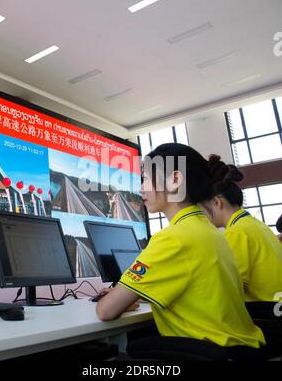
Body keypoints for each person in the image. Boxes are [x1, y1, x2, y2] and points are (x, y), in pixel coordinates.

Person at [96, 143, 264, 353]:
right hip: (242, 349)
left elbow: (106, 310)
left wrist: (117, 297)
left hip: (211, 351)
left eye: (146, 178)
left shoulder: (172, 238)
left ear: (175, 180)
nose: (141, 188)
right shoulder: (212, 232)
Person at [201, 155, 282, 305]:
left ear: (217, 202)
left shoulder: (236, 232)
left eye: (203, 207)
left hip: (268, 314)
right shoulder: (256, 225)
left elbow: (228, 287)